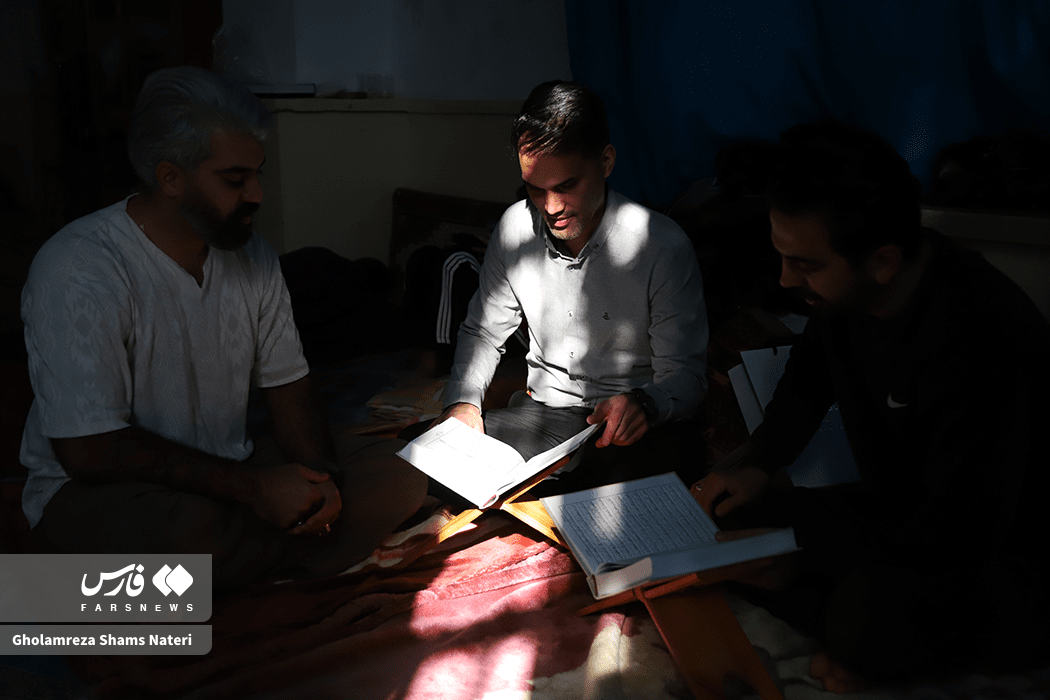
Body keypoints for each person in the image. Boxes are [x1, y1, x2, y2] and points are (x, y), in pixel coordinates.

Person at [20, 66, 426, 590]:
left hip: (230, 470)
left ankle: (235, 568)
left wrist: (320, 478)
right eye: (235, 180)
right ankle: (285, 556)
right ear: (170, 178)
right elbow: (89, 451)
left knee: (404, 474)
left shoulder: (254, 257)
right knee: (191, 531)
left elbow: (289, 386)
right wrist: (258, 491)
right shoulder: (79, 266)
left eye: (258, 174)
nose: (257, 193)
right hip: (105, 490)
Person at [694, 120, 1050, 692]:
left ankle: (859, 644)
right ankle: (846, 635)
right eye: (782, 257)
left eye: (805, 264)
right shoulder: (844, 298)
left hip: (991, 554)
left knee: (864, 614)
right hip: (896, 513)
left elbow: (958, 532)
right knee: (728, 520)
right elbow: (808, 380)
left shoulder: (979, 336)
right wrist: (758, 464)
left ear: (883, 261)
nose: (785, 280)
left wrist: (802, 554)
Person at [433, 80, 708, 495]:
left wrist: (644, 404)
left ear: (606, 162)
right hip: (544, 417)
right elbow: (483, 332)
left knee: (625, 495)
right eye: (535, 188)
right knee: (428, 463)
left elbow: (686, 377)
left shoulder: (660, 246)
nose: (551, 207)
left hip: (628, 428)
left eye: (566, 186)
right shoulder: (514, 228)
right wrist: (463, 404)